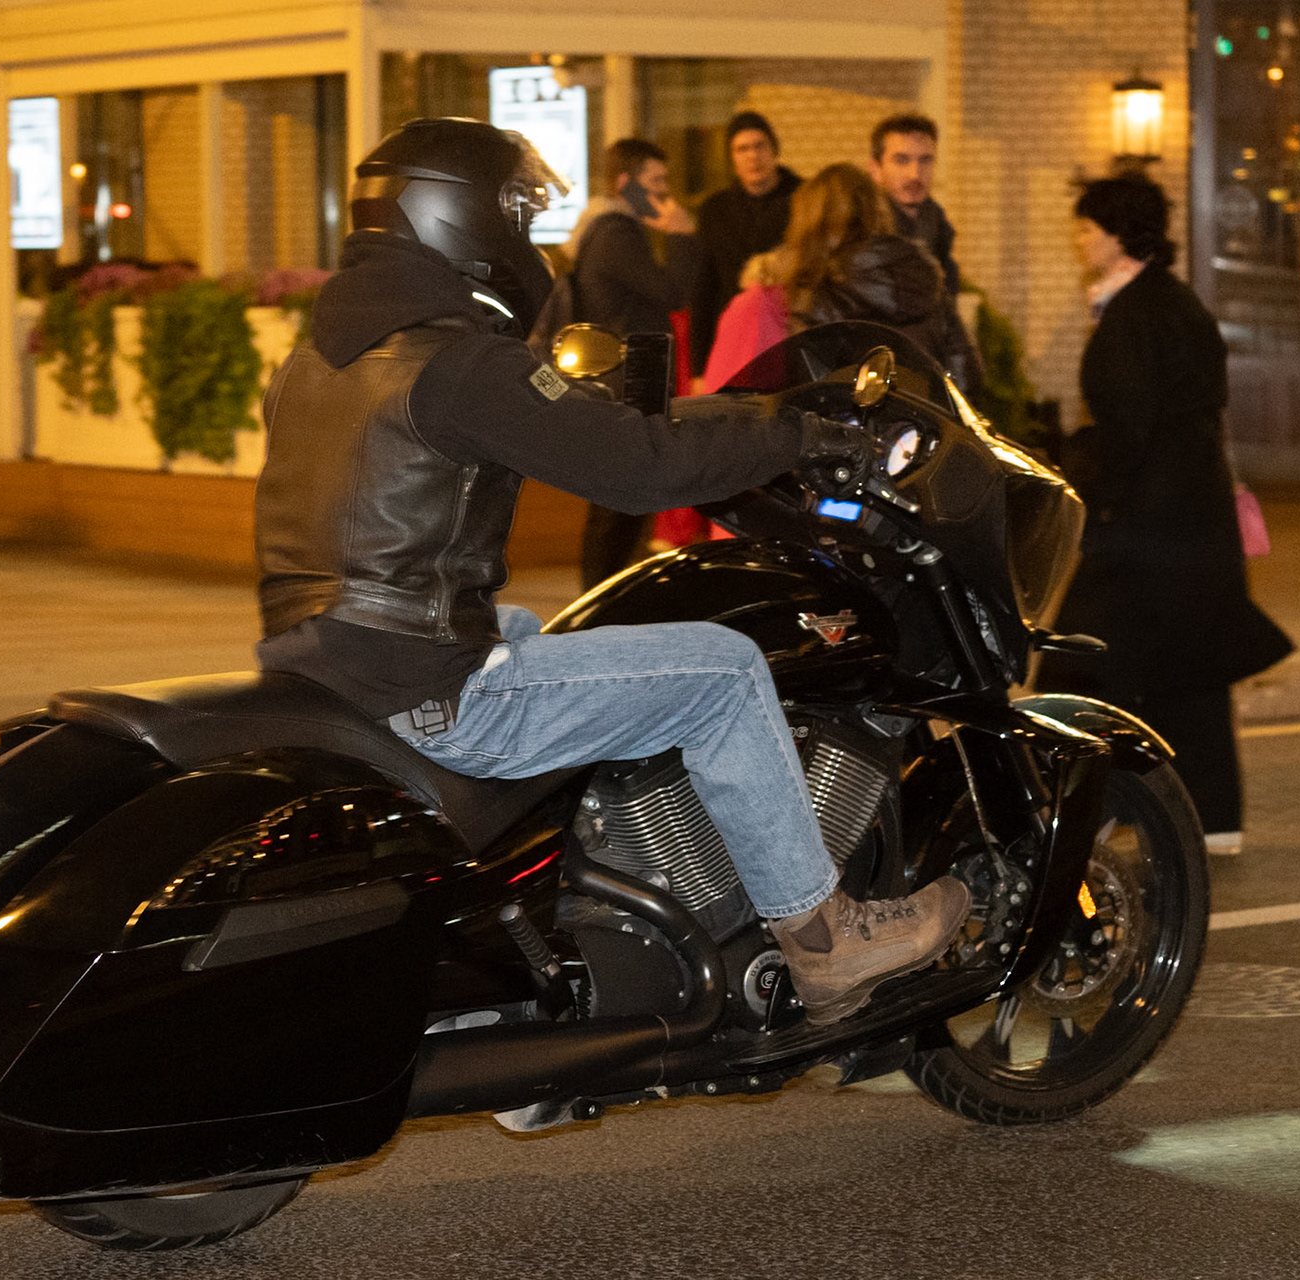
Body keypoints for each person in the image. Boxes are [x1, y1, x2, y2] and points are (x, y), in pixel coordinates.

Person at [254, 118, 969, 1026]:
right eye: (518, 214)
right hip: (432, 686)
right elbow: (638, 467)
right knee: (724, 671)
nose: (530, 237)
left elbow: (591, 432)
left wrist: (726, 420)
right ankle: (825, 938)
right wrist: (799, 435)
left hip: (333, 661)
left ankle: (611, 885)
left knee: (561, 634)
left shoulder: (319, 361)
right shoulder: (460, 362)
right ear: (460, 218)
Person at [1037, 174, 1292, 858]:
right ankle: (1211, 818)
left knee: (1082, 665)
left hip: (1144, 529)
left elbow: (1126, 429)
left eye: (1088, 228)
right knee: (1189, 673)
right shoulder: (1176, 302)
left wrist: (1089, 493)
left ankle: (1077, 816)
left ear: (1120, 234)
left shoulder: (1131, 315)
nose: (1080, 240)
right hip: (1193, 521)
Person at [702, 163, 978, 393]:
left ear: (805, 223)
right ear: (878, 214)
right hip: (923, 436)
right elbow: (965, 374)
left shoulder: (803, 296)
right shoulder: (926, 283)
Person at [567, 137, 701, 587]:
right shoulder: (615, 233)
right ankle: (598, 600)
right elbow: (672, 292)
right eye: (655, 181)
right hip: (629, 383)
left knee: (621, 503)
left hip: (624, 379)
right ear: (626, 182)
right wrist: (681, 235)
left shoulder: (608, 229)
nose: (664, 192)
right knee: (619, 505)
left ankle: (603, 596)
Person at [687, 111, 801, 381]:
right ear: (732, 158)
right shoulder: (716, 209)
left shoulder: (802, 198)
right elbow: (705, 288)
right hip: (734, 337)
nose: (753, 156)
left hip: (788, 336)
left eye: (760, 146)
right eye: (742, 149)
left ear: (775, 150)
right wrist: (698, 369)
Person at [867, 113, 977, 392]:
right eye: (901, 160)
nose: (915, 174)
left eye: (925, 160)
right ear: (875, 169)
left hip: (929, 380)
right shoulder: (864, 236)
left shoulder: (937, 226)